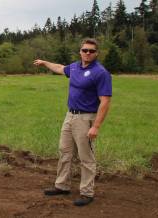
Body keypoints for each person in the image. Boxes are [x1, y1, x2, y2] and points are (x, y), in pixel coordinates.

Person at [33, 38, 112, 206]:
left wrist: (96, 126)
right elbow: (60, 68)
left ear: (96, 53)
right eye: (85, 50)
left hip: (86, 118)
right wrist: (45, 62)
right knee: (65, 152)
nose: (87, 53)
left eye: (91, 51)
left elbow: (105, 101)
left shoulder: (101, 73)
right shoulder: (75, 67)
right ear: (80, 52)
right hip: (70, 116)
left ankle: (87, 192)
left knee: (86, 157)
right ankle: (62, 186)